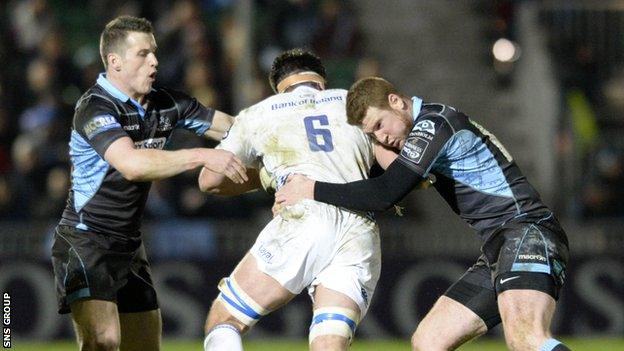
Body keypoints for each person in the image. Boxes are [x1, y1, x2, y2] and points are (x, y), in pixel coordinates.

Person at [276, 77, 571, 351]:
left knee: (526, 339)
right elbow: (401, 180)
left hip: (527, 233)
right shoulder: (429, 125)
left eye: (380, 125)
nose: (382, 137)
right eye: (373, 134)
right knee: (429, 340)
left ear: (396, 101)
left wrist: (310, 189)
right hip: (500, 244)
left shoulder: (433, 125)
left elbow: (383, 194)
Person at [51, 16, 247, 351]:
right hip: (85, 241)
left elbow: (233, 128)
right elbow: (132, 165)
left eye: (154, 52)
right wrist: (202, 156)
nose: (154, 60)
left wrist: (279, 130)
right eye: (143, 54)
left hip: (130, 246)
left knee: (144, 347)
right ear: (115, 62)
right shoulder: (94, 107)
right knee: (104, 342)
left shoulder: (167, 103)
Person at [198, 49, 397, 351]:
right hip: (358, 230)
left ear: (278, 86)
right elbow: (397, 169)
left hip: (303, 220)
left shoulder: (260, 113)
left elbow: (209, 180)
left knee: (224, 319)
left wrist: (266, 177)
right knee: (329, 342)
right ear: (322, 81)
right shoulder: (353, 104)